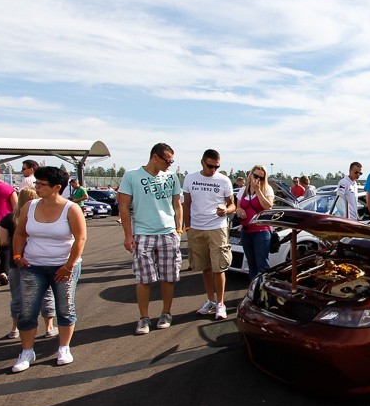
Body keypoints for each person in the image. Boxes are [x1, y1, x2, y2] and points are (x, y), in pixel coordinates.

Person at [10, 165, 87, 371]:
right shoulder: (30, 206)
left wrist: (69, 266)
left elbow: (80, 239)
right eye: (36, 183)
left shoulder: (71, 209)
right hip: (32, 266)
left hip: (63, 267)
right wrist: (17, 256)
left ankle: (64, 348)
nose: (36, 187)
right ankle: (27, 352)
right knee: (27, 310)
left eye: (41, 184)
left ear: (57, 187)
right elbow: (20, 234)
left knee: (65, 308)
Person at [118, 143, 183, 335]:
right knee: (143, 279)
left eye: (172, 161)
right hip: (143, 233)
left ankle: (166, 313)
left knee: (169, 277)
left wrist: (179, 229)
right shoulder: (131, 176)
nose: (170, 165)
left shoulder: (172, 177)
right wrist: (128, 235)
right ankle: (144, 318)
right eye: (168, 161)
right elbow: (124, 207)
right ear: (155, 157)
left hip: (168, 232)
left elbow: (177, 204)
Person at [183, 150, 234, 319]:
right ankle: (210, 300)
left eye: (217, 167)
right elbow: (186, 204)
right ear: (202, 162)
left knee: (219, 268)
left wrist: (226, 210)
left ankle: (220, 304)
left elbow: (233, 205)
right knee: (205, 268)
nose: (213, 170)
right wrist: (188, 227)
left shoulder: (224, 180)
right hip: (196, 228)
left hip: (217, 228)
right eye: (210, 166)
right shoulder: (190, 178)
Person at [0, 187, 56, 340]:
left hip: (16, 262)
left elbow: (2, 241)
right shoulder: (41, 216)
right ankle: (49, 327)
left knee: (18, 296)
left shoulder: (9, 218)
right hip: (39, 261)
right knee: (46, 295)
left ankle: (15, 329)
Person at [235, 164, 275, 279]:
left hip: (261, 231)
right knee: (251, 264)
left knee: (262, 264)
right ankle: (253, 287)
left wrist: (258, 190)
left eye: (261, 178)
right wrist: (239, 210)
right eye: (256, 176)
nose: (258, 179)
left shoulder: (266, 189)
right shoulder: (243, 190)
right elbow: (238, 207)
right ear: (251, 174)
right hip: (246, 231)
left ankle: (263, 288)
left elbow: (268, 207)